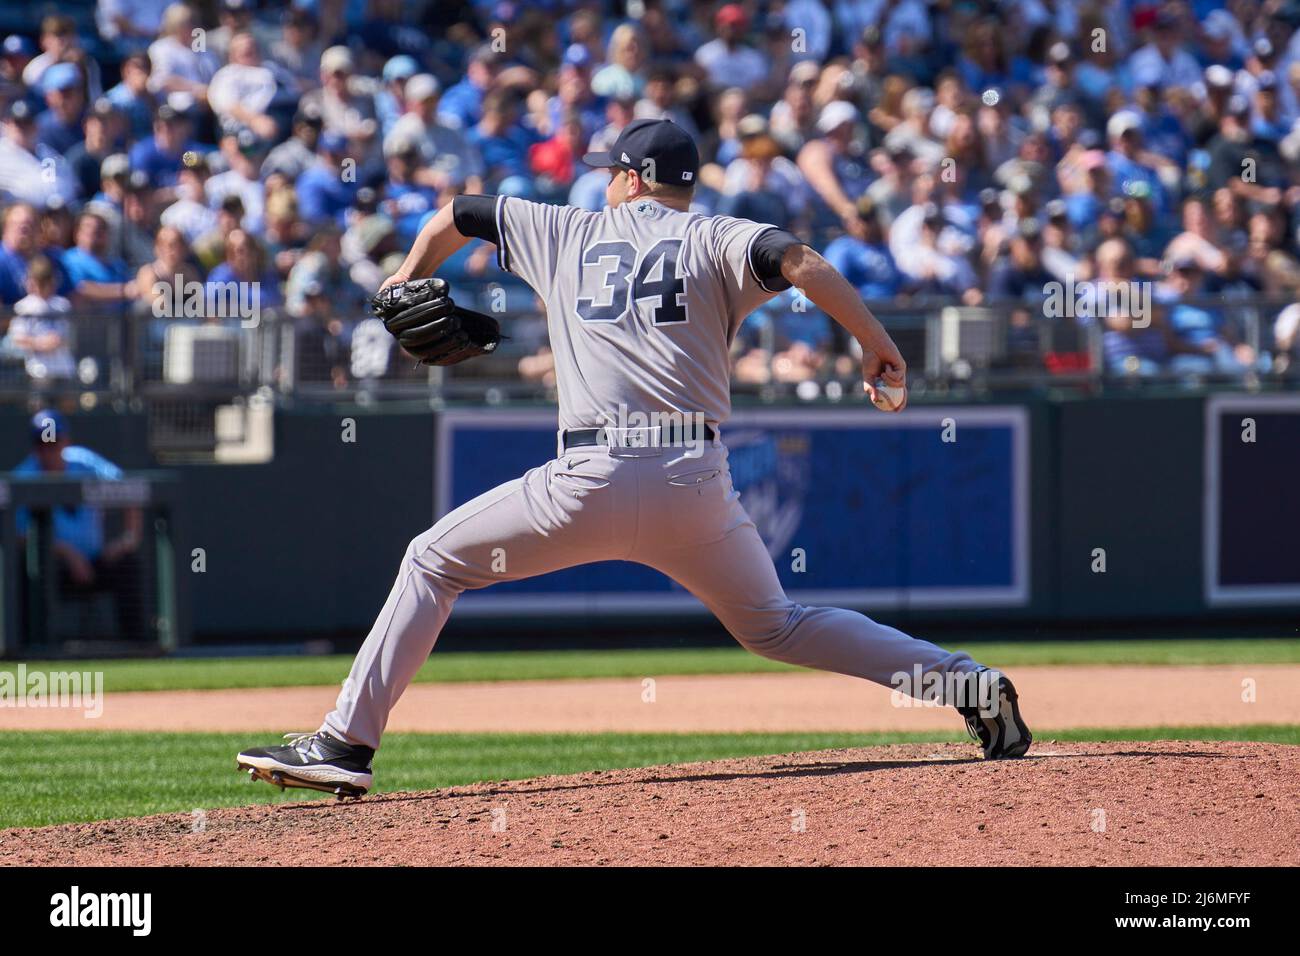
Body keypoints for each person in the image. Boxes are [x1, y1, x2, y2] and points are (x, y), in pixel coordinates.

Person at [236, 118, 1032, 798]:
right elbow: (802, 263)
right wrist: (878, 346)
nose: (604, 183)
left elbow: (454, 212)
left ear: (631, 177)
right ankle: (964, 683)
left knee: (434, 561)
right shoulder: (720, 236)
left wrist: (405, 279)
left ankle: (345, 744)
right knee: (779, 627)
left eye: (611, 171)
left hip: (591, 477)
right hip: (696, 484)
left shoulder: (566, 229)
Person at [12, 410, 146, 640]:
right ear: (35, 448)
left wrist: (127, 540)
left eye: (54, 443)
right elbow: (20, 536)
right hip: (53, 566)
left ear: (66, 442)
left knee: (127, 565)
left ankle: (137, 647)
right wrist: (67, 553)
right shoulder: (24, 475)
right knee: (31, 569)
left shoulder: (83, 461)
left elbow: (128, 490)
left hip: (96, 560)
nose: (48, 451)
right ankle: (36, 645)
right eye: (42, 444)